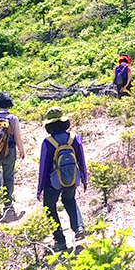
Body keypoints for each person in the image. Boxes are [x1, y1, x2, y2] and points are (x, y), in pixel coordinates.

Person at [36, 107, 88, 252]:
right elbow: (81, 160)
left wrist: (40, 189)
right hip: (72, 179)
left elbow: (43, 167)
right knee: (70, 200)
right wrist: (84, 178)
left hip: (52, 183)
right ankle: (79, 227)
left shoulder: (48, 142)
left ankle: (60, 241)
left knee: (49, 207)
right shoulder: (74, 138)